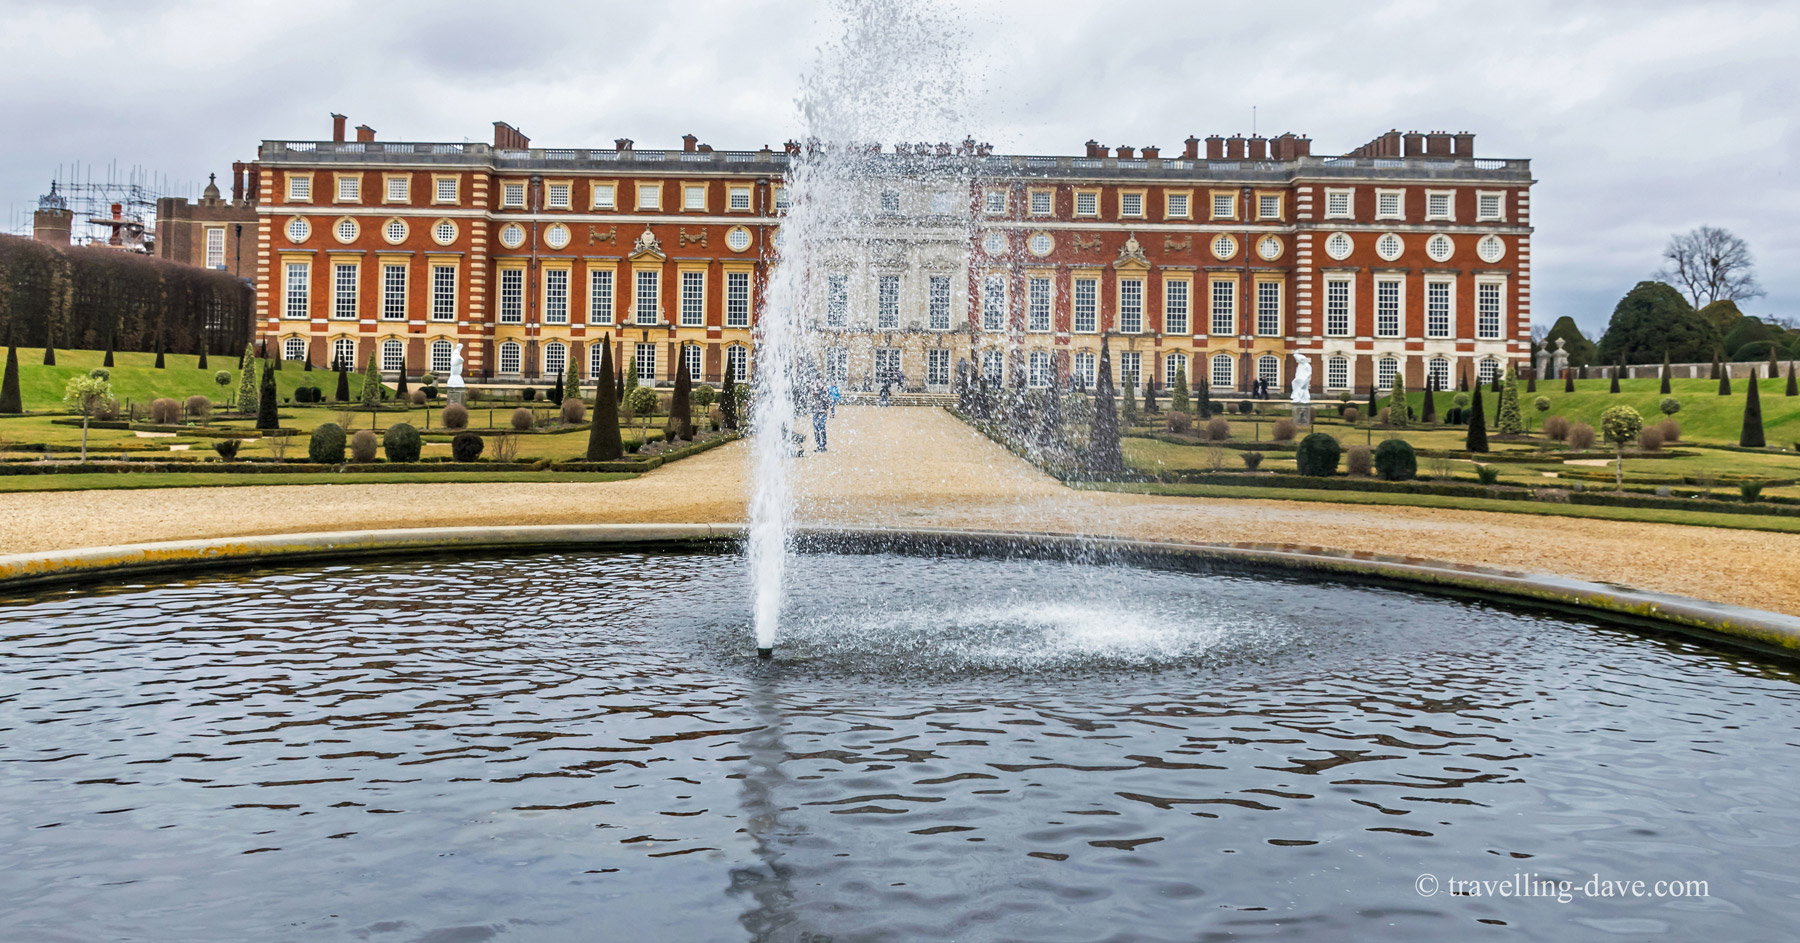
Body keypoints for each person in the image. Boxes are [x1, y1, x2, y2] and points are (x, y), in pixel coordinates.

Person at [810, 378, 830, 452]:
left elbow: (827, 399)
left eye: (819, 383)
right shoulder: (814, 390)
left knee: (822, 428)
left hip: (822, 412)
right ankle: (818, 445)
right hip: (815, 412)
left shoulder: (825, 390)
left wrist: (826, 408)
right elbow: (812, 393)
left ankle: (823, 445)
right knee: (816, 429)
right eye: (816, 383)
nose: (817, 384)